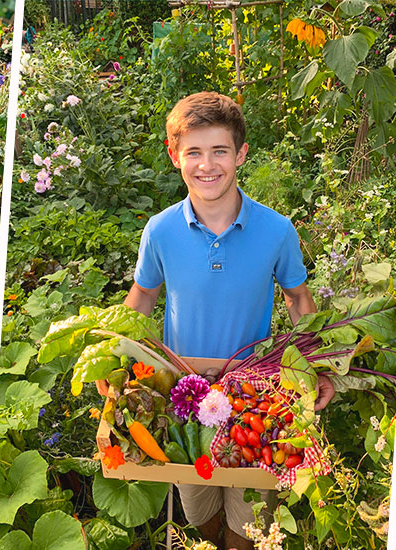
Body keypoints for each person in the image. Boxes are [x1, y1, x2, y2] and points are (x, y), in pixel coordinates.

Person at [121, 91, 334, 550]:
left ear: (240, 154)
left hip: (257, 397)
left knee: (249, 517)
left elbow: (298, 299)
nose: (207, 164)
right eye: (194, 152)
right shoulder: (160, 231)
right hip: (183, 393)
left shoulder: (276, 230)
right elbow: (142, 295)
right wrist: (115, 360)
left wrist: (316, 367)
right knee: (197, 507)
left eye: (219, 150)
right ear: (174, 154)